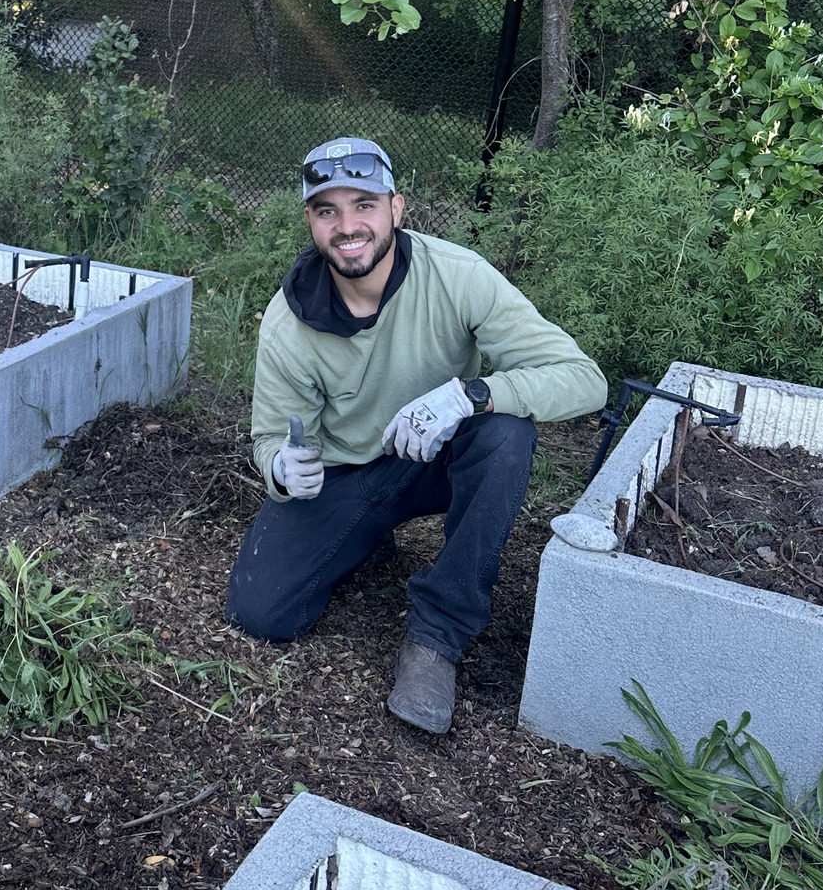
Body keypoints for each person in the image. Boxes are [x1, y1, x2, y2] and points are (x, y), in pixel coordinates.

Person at [226, 137, 606, 735]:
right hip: (347, 473)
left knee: (505, 435)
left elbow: (584, 380)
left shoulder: (457, 276)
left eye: (364, 205)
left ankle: (436, 635)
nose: (347, 226)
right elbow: (274, 435)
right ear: (310, 222)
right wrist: (280, 468)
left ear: (396, 209)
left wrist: (471, 394)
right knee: (262, 614)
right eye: (327, 211)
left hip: (437, 459)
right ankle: (365, 535)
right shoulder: (288, 322)